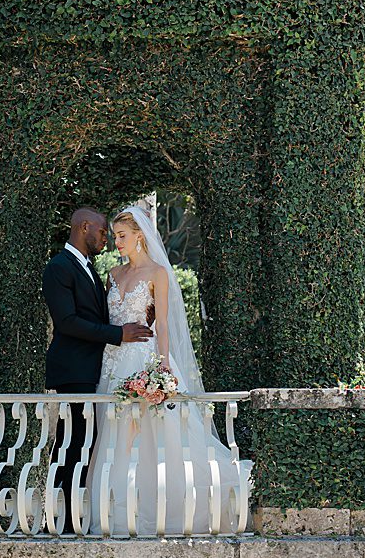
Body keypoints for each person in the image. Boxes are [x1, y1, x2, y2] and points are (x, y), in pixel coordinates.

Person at [85, 204, 248, 534]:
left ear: (139, 236)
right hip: (113, 363)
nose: (116, 242)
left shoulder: (158, 273)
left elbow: (163, 327)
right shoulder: (113, 275)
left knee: (165, 438)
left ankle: (171, 512)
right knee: (112, 438)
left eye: (122, 236)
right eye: (115, 236)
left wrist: (161, 368)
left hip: (144, 361)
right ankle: (110, 516)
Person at [41, 207, 151, 532]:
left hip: (94, 369)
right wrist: (118, 335)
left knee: (84, 443)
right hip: (72, 370)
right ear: (84, 227)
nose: (106, 239)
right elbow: (68, 322)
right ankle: (59, 517)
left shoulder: (89, 267)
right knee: (70, 443)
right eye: (103, 232)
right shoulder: (58, 267)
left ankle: (75, 516)